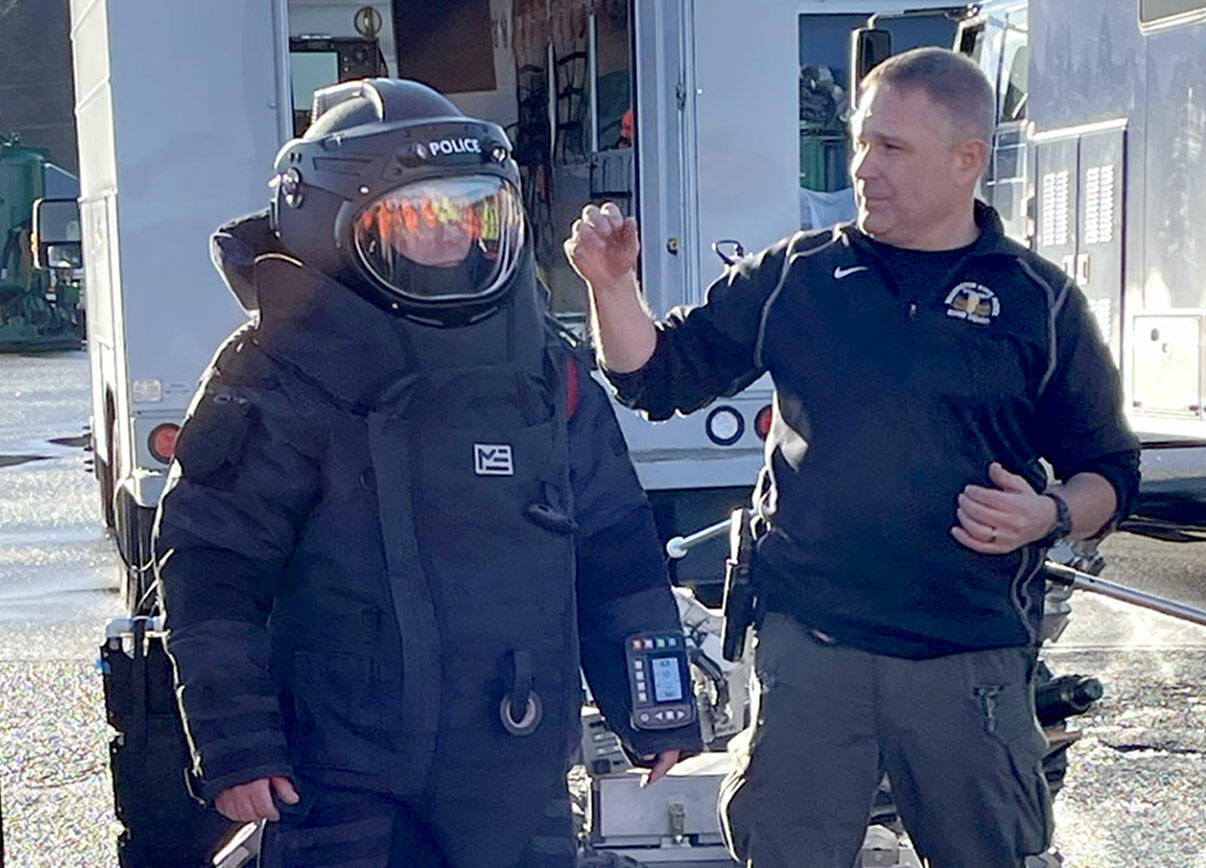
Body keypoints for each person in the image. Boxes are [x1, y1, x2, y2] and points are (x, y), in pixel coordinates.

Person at [565, 48, 1140, 868]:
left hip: (966, 659)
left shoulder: (1036, 304)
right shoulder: (801, 275)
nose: (863, 167)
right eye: (862, 143)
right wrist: (611, 288)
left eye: (892, 148)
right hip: (812, 656)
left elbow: (1113, 474)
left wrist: (1047, 515)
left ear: (966, 160)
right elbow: (655, 378)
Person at [156, 78, 700, 868]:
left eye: (472, 214)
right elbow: (211, 568)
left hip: (517, 765)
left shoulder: (542, 364)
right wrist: (238, 743)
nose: (449, 236)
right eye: (419, 216)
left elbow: (615, 544)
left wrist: (654, 705)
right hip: (344, 775)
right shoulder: (282, 368)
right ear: (336, 225)